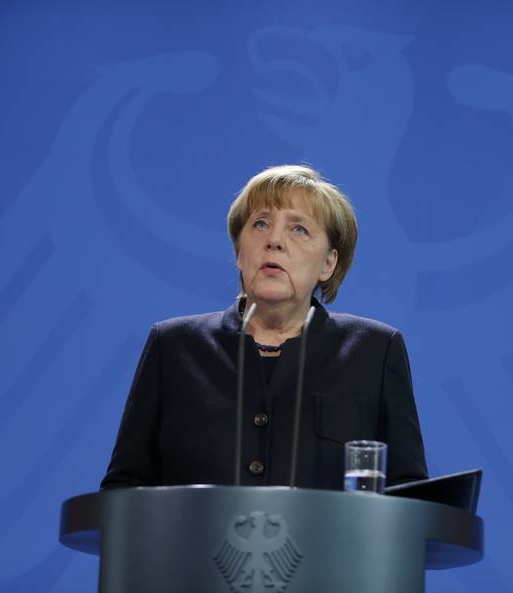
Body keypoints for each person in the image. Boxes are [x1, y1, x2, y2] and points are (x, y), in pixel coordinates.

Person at [100, 165, 427, 490]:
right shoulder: (173, 347)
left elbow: (411, 498)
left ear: (328, 263)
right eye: (260, 224)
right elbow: (125, 488)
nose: (274, 240)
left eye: (299, 229)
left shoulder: (374, 351)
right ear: (240, 253)